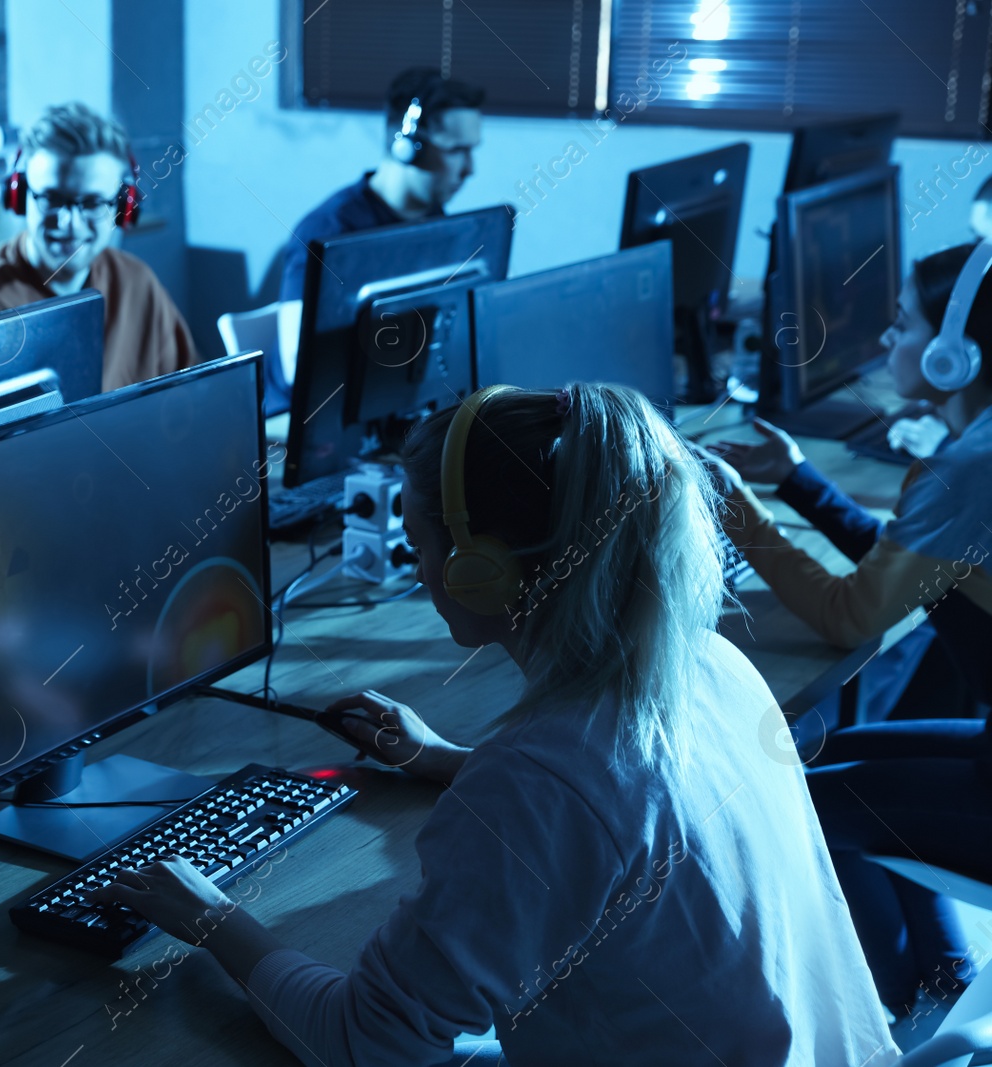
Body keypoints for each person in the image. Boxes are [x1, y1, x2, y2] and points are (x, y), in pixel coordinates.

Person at [102, 383, 896, 1064]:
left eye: (421, 542)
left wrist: (212, 919)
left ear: (484, 566)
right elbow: (618, 818)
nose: (421, 569)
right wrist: (450, 759)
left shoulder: (538, 784)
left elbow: (365, 1043)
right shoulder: (708, 659)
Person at [708, 240, 992, 1021]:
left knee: (805, 808)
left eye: (902, 325)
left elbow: (847, 617)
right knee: (817, 766)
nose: (885, 342)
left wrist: (735, 505)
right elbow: (920, 569)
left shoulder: (968, 468)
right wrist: (796, 478)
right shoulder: (976, 454)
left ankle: (892, 1018)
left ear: (953, 353)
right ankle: (941, 987)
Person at [0, 101, 197, 392]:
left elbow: (192, 396)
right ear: (20, 197)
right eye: (51, 198)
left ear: (123, 206)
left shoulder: (137, 282)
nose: (68, 222)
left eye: (93, 203)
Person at [267, 68, 483, 410]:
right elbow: (300, 365)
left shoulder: (437, 225)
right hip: (311, 418)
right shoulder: (329, 230)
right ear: (407, 148)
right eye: (457, 150)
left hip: (398, 407)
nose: (470, 168)